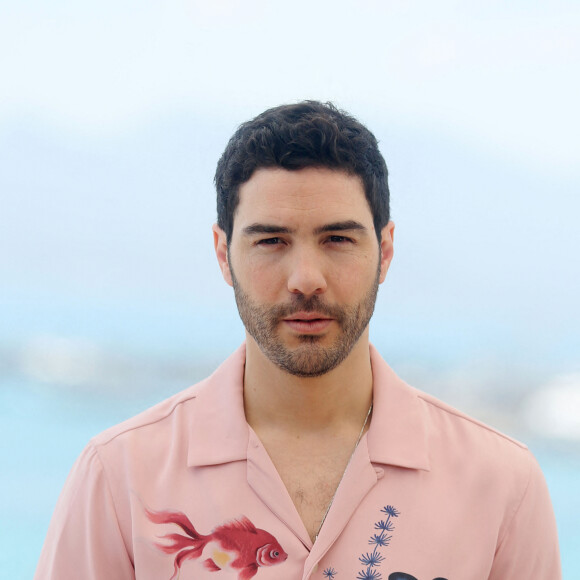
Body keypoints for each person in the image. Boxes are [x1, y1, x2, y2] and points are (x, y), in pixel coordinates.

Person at [35, 101, 561, 580]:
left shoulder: (501, 484)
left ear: (386, 249)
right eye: (271, 241)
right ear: (223, 255)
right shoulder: (118, 476)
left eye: (337, 239)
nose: (305, 277)